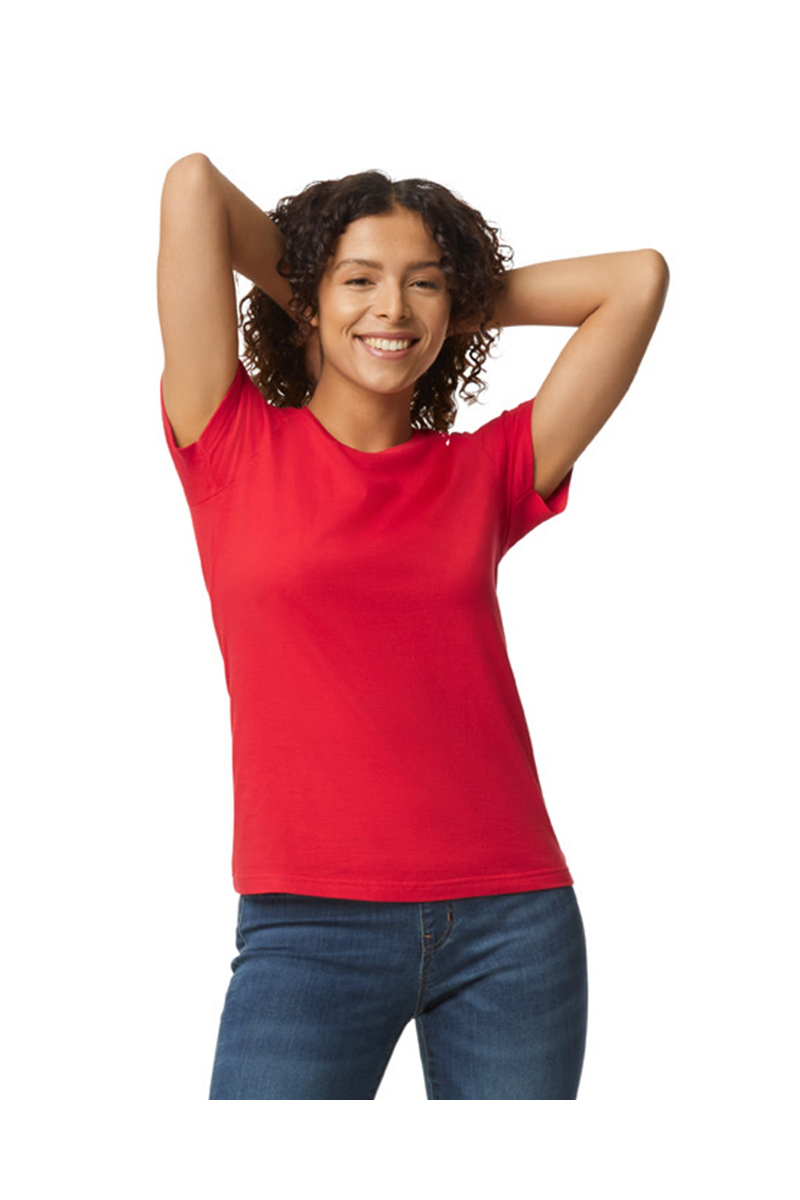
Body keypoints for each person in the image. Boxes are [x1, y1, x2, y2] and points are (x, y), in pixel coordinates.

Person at [157, 153, 669, 1100]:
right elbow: (193, 186)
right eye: (361, 279)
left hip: (513, 921)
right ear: (308, 300)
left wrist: (437, 306)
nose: (391, 306)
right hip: (307, 929)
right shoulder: (230, 441)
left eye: (422, 283)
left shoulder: (487, 470)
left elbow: (636, 280)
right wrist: (328, 295)